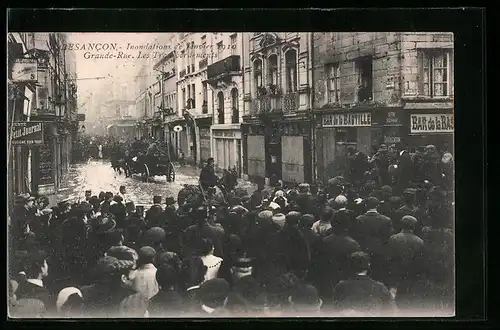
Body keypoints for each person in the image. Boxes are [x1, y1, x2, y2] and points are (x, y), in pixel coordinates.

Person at [332, 252, 395, 316]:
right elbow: (391, 312)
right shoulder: (380, 287)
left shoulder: (340, 287)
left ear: (350, 266)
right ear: (369, 265)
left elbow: (336, 311)